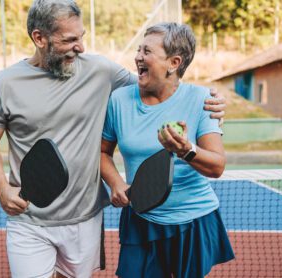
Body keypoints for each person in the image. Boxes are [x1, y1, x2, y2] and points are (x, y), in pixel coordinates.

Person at [0, 1, 226, 277]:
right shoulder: (6, 83)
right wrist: (2, 189)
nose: (81, 47)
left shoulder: (101, 71)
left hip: (85, 218)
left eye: (81, 37)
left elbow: (162, 85)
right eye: (70, 39)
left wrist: (213, 102)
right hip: (29, 219)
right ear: (39, 38)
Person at [100, 22, 235, 278]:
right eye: (139, 49)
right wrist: (116, 182)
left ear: (174, 62)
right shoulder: (118, 100)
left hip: (193, 220)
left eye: (147, 51)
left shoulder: (202, 99)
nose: (138, 56)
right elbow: (102, 151)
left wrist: (186, 150)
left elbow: (217, 166)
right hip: (139, 217)